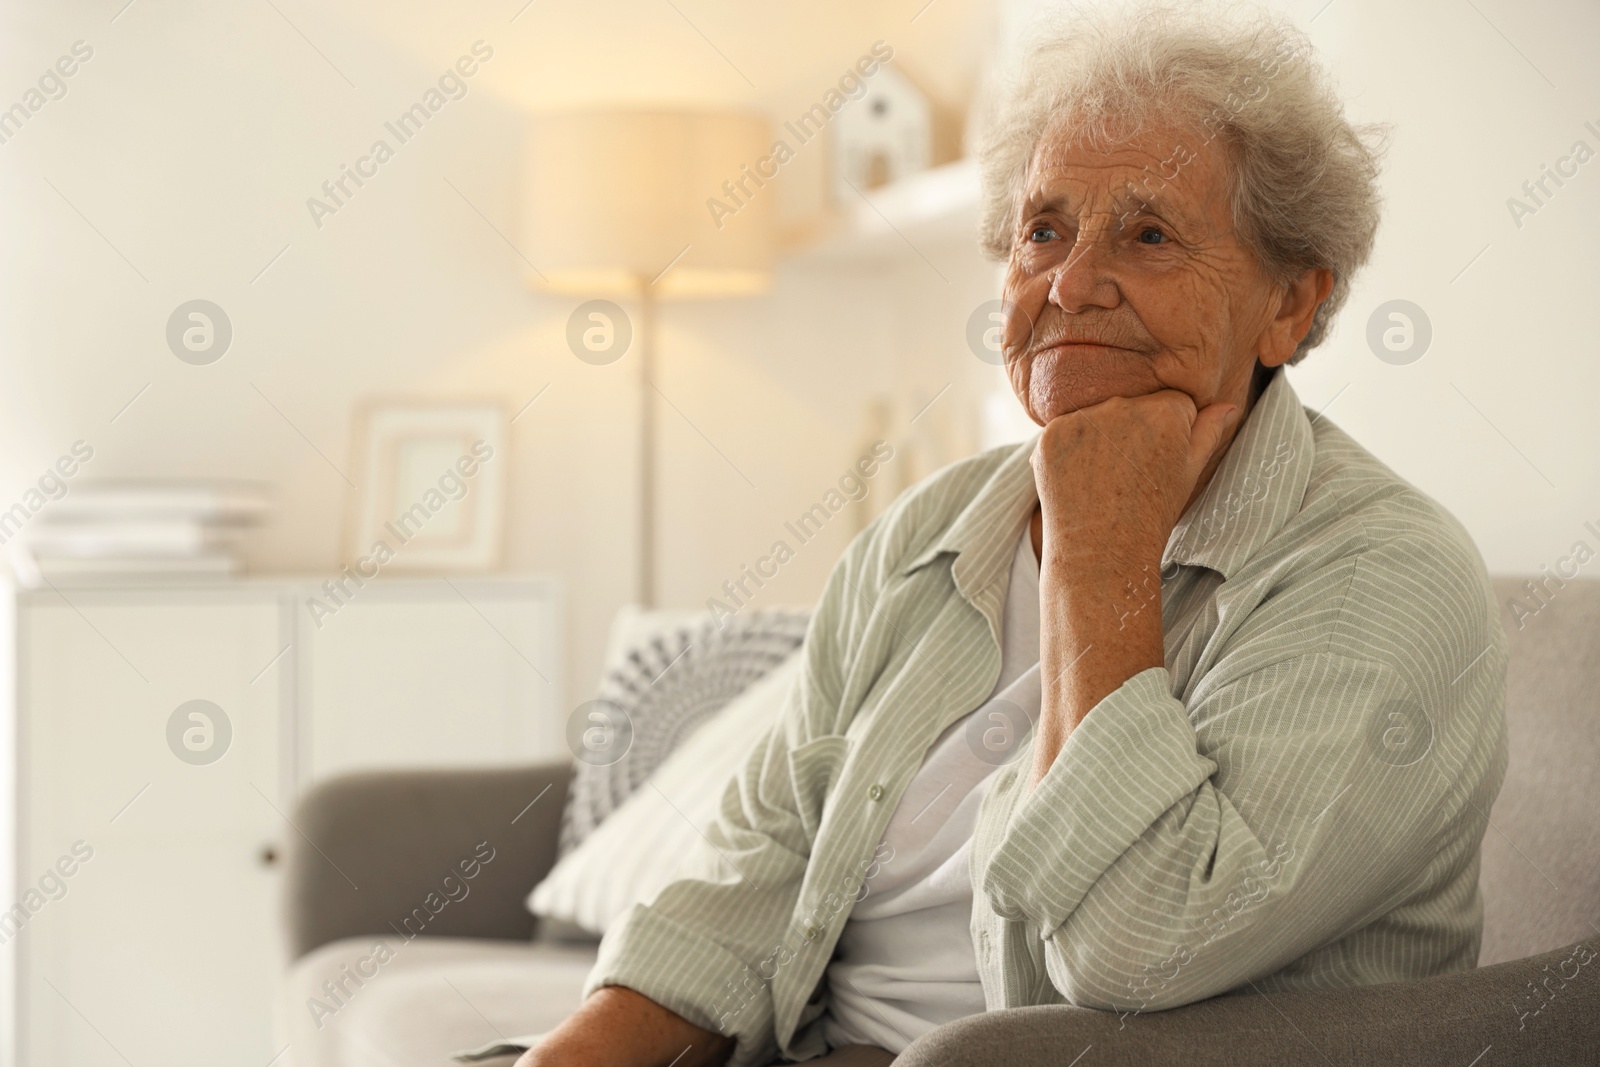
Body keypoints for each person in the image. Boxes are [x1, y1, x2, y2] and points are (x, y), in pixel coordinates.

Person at [520, 6, 1507, 1065]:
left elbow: (1133, 950)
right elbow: (754, 863)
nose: (1071, 283)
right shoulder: (935, 528)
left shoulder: (1384, 576)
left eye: (1149, 232)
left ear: (1290, 300)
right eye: (1043, 229)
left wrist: (1099, 550)